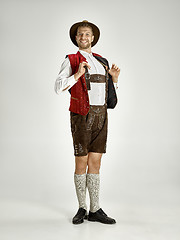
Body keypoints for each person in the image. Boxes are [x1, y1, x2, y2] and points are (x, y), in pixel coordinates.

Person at [54, 20, 120, 224]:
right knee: (81, 161)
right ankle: (82, 207)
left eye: (87, 34)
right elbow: (58, 87)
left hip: (101, 116)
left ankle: (95, 209)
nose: (84, 37)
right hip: (81, 116)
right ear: (76, 38)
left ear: (93, 38)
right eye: (80, 34)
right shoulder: (72, 60)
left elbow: (109, 98)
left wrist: (115, 80)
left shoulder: (102, 62)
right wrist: (77, 74)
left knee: (96, 162)